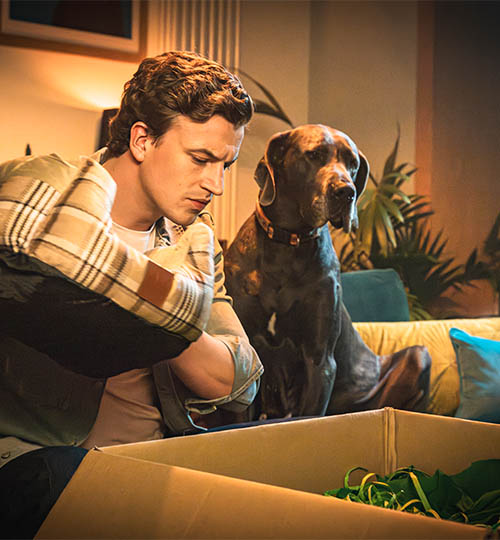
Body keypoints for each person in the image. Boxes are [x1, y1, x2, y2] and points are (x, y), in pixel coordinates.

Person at [0, 51, 263, 538]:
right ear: (143, 140)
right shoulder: (47, 189)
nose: (216, 185)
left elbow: (240, 379)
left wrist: (162, 318)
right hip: (40, 463)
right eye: (201, 159)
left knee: (281, 450)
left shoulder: (195, 243)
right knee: (61, 477)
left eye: (225, 164)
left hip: (157, 460)